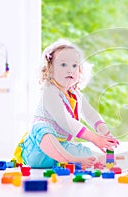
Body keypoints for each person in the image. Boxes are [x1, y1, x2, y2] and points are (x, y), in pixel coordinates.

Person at [13, 39, 119, 168]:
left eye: (74, 66)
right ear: (49, 69)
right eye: (63, 65)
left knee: (84, 152)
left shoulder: (76, 95)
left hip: (59, 150)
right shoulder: (50, 91)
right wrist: (95, 139)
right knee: (40, 128)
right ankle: (71, 160)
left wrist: (105, 134)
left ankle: (84, 159)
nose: (70, 70)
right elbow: (66, 122)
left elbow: (90, 115)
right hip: (36, 150)